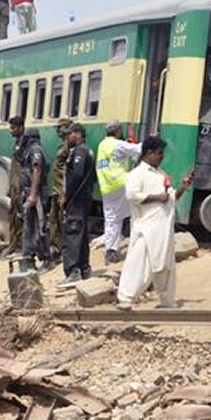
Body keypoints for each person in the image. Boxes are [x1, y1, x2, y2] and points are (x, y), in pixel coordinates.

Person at [116, 137, 193, 310]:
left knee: (165, 266)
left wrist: (183, 186)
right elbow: (132, 196)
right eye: (159, 153)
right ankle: (126, 297)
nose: (162, 157)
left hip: (163, 229)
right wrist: (156, 198)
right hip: (146, 228)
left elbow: (170, 197)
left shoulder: (161, 174)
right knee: (139, 264)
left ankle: (167, 302)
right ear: (149, 153)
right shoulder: (136, 174)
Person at [96, 120, 141, 264]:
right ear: (118, 131)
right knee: (137, 209)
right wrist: (152, 139)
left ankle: (111, 249)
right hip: (122, 184)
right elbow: (138, 150)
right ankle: (138, 242)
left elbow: (115, 158)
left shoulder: (102, 145)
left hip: (107, 186)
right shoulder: (117, 145)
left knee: (112, 219)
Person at [59, 123, 95, 288]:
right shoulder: (88, 150)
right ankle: (84, 269)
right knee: (81, 233)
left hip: (76, 200)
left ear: (78, 134)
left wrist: (66, 196)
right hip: (84, 198)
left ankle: (73, 271)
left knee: (72, 234)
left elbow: (77, 175)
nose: (68, 137)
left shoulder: (80, 151)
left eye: (70, 134)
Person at [18, 128, 50, 269]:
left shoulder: (35, 150)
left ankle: (47, 258)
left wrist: (33, 194)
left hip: (35, 195)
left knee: (39, 227)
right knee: (29, 227)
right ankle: (29, 257)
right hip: (28, 193)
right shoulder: (28, 150)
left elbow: (37, 170)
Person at [47, 118, 73, 264]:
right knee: (53, 221)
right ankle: (55, 250)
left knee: (62, 222)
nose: (57, 131)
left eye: (60, 128)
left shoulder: (69, 146)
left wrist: (64, 193)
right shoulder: (63, 145)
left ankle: (63, 251)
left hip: (62, 191)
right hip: (56, 190)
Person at [5, 117, 25, 257]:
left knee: (20, 217)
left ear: (21, 127)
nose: (11, 131)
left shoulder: (24, 143)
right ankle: (14, 244)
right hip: (14, 185)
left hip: (19, 186)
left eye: (13, 128)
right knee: (13, 216)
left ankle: (20, 246)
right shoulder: (18, 142)